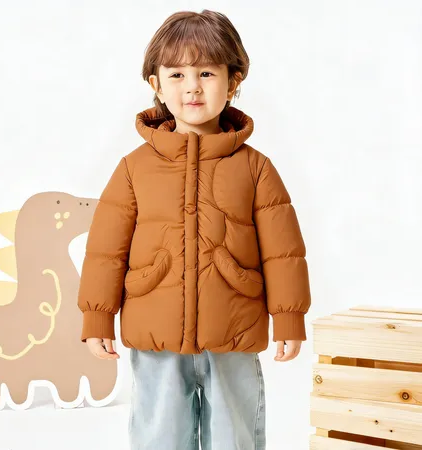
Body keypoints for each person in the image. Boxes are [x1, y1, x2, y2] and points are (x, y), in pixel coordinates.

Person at [77, 9, 311, 450]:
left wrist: (289, 317)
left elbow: (283, 252)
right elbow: (106, 250)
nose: (192, 87)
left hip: (233, 330)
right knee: (159, 434)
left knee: (235, 434)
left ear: (233, 81)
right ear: (156, 84)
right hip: (156, 331)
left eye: (206, 72)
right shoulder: (134, 168)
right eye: (177, 74)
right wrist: (97, 316)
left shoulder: (256, 168)